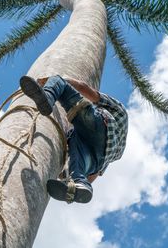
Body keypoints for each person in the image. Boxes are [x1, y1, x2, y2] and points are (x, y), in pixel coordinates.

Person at [20, 75, 128, 204]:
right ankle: (78, 185)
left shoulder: (119, 109)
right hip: (97, 157)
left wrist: (50, 82)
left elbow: (84, 87)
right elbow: (94, 173)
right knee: (76, 146)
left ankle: (49, 96)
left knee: (58, 80)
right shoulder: (117, 149)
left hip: (100, 128)